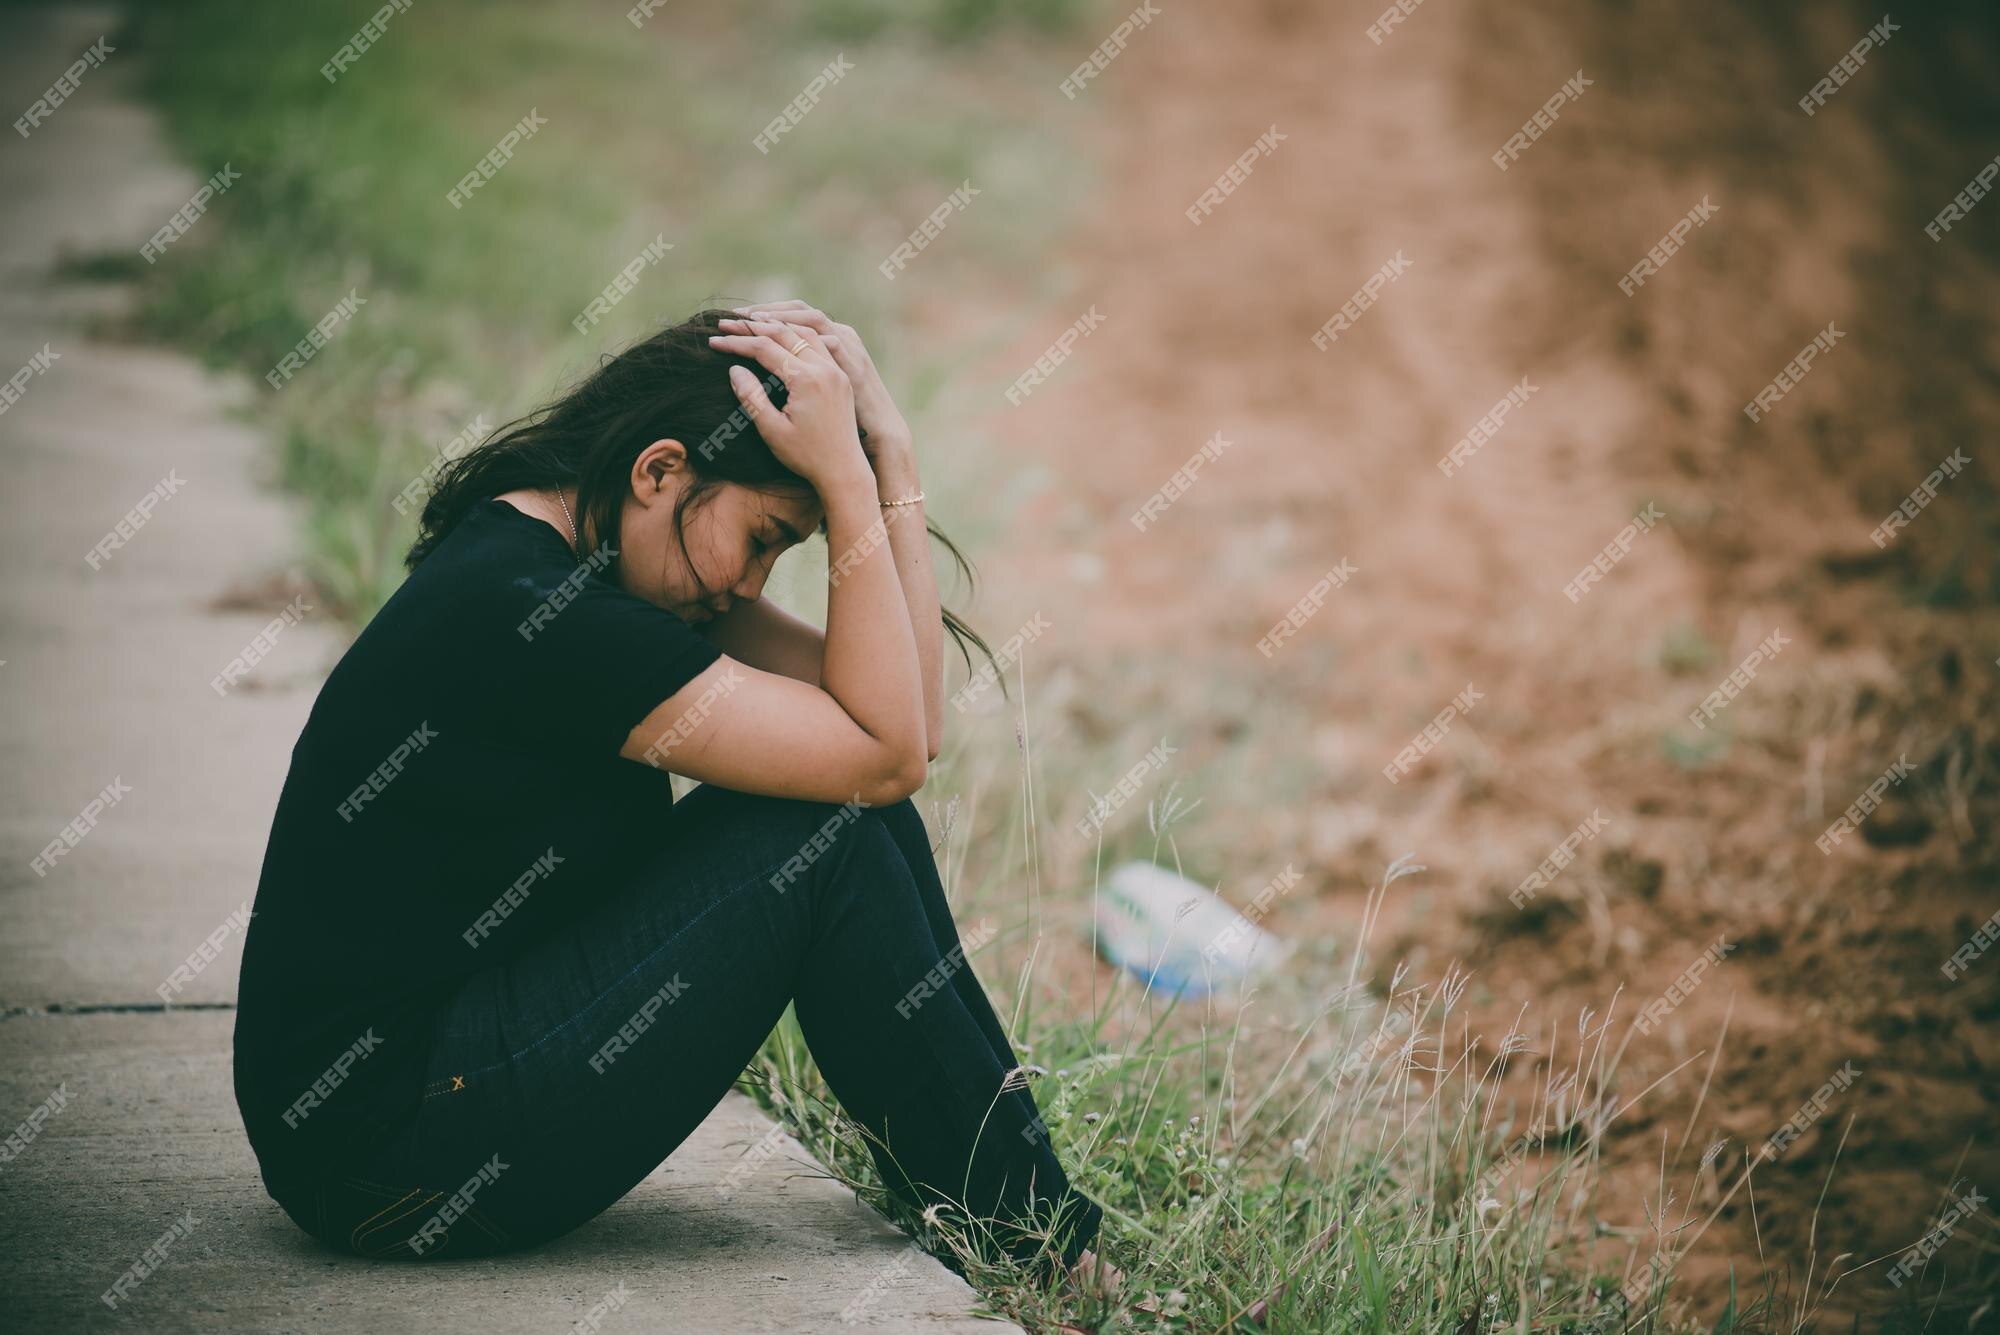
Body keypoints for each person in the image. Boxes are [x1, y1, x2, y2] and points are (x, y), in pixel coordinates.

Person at [231, 302, 1112, 1292]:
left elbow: (902, 727)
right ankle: (1042, 1245)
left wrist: (887, 465)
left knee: (850, 818)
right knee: (826, 838)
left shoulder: (578, 561)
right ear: (660, 471)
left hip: (411, 1100)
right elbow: (884, 754)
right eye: (763, 537)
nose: (751, 584)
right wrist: (853, 494)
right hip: (393, 1155)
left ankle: (1025, 1223)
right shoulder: (542, 618)